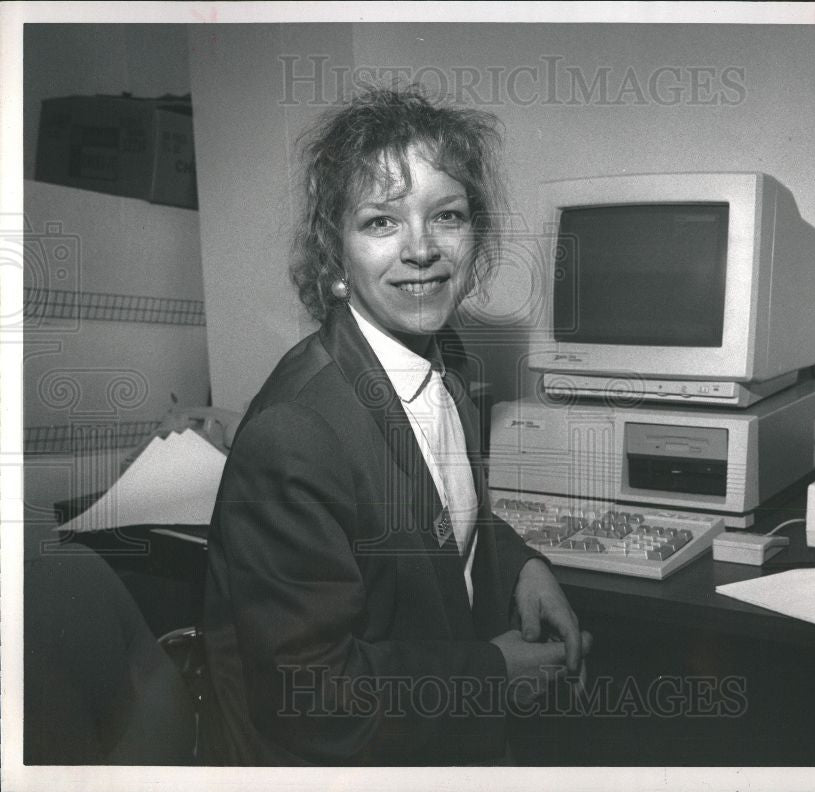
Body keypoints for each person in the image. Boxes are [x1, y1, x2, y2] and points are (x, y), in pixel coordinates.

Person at [201, 85, 590, 766]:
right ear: (335, 257)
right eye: (381, 222)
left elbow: (436, 516)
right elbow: (312, 701)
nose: (421, 249)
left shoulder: (452, 364)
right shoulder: (295, 434)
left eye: (447, 216)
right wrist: (492, 676)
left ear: (477, 238)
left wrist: (524, 568)